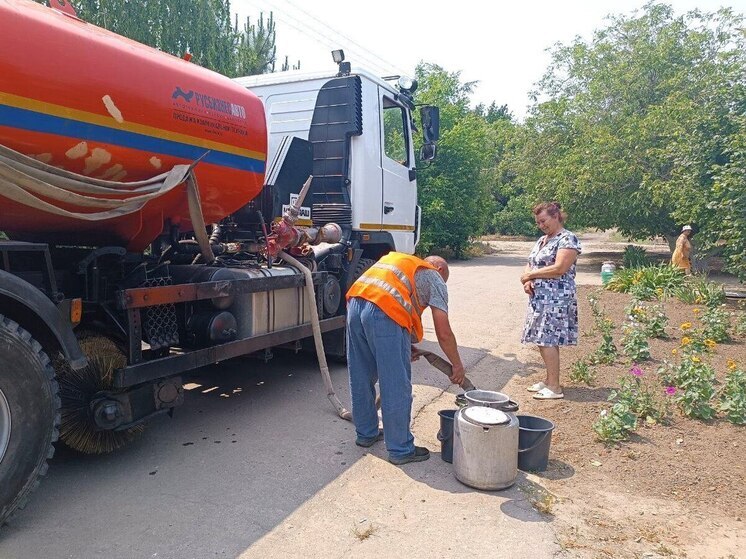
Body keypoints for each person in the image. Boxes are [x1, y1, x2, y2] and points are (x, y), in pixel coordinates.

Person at [346, 252, 465, 465]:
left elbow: (399, 305)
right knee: (395, 384)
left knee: (360, 375)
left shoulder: (404, 266)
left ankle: (366, 433)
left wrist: (404, 343)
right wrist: (457, 365)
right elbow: (444, 332)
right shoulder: (434, 276)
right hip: (384, 311)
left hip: (355, 305)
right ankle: (400, 449)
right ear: (439, 270)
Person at [519, 202, 582, 400]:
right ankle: (549, 380)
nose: (541, 225)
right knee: (542, 339)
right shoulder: (542, 240)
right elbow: (531, 263)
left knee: (548, 340)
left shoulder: (567, 239)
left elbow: (559, 268)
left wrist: (531, 276)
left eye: (543, 221)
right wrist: (527, 281)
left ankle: (555, 387)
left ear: (556, 216)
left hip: (556, 299)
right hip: (540, 299)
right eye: (538, 222)